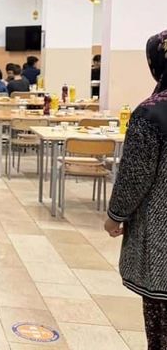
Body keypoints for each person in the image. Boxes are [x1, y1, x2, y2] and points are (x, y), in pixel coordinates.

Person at [104, 30, 167, 350]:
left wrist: (115, 216)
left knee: (161, 327)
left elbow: (135, 177)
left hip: (161, 239)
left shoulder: (152, 113)